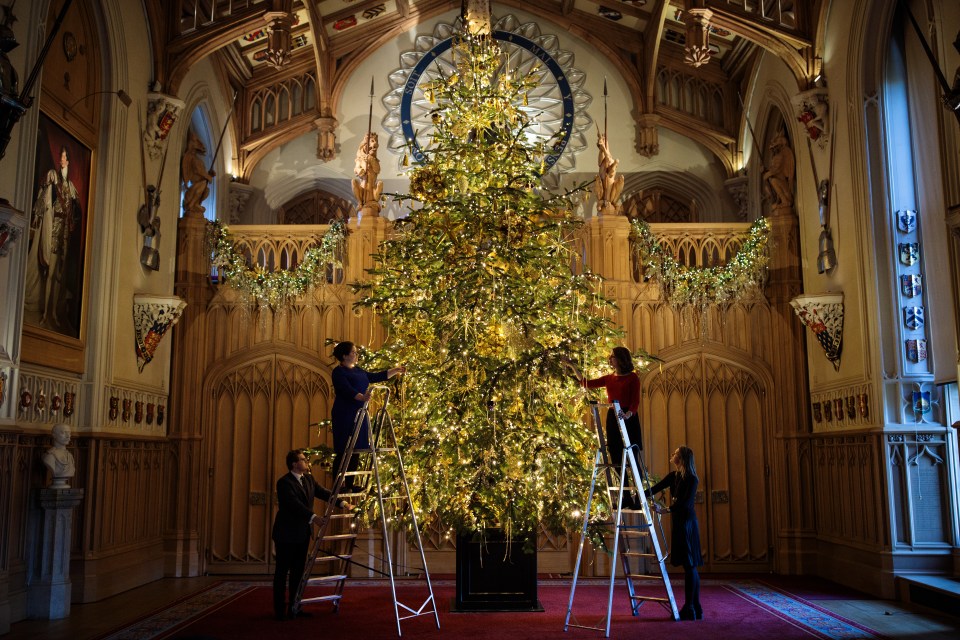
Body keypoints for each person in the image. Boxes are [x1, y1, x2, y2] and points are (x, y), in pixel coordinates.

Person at [272, 449, 350, 621]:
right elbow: (294, 504)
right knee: (282, 572)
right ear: (294, 463)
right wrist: (314, 517)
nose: (306, 461)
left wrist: (342, 503)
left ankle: (295, 606)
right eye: (302, 459)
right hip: (286, 534)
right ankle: (279, 610)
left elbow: (324, 493)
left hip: (302, 534)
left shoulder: (309, 479)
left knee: (298, 572)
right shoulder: (284, 482)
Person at [330, 341, 404, 488]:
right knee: (345, 448)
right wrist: (361, 397)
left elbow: (376, 377)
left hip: (360, 412)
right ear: (345, 356)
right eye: (353, 352)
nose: (356, 355)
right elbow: (345, 389)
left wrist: (396, 370)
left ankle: (350, 484)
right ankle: (339, 484)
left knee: (356, 448)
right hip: (345, 413)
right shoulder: (339, 372)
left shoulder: (359, 371)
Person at [24, 145, 81, 331]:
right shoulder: (53, 177)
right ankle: (47, 313)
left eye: (65, 157)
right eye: (61, 156)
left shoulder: (71, 187)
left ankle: (55, 312)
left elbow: (77, 212)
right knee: (51, 274)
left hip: (66, 234)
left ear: (69, 161)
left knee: (61, 276)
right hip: (55, 231)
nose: (62, 160)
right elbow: (43, 196)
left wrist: (73, 222)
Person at [646, 446, 703, 621]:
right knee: (689, 566)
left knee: (690, 565)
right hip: (679, 522)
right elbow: (655, 488)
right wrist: (639, 495)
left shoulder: (692, 479)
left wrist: (665, 510)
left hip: (687, 523)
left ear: (683, 458)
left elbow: (685, 504)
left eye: (676, 454)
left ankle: (690, 607)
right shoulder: (674, 476)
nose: (672, 455)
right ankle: (696, 607)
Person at [574, 347, 643, 473]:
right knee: (615, 454)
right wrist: (572, 366)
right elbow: (586, 383)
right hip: (613, 416)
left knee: (632, 456)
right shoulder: (609, 378)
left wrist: (628, 414)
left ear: (620, 359)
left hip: (628, 418)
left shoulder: (632, 378)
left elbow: (635, 401)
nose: (610, 359)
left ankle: (639, 492)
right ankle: (625, 493)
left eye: (612, 356)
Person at [42, 423, 76, 488]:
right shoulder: (49, 456)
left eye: (69, 433)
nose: (68, 436)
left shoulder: (70, 456)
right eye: (63, 433)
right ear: (54, 435)